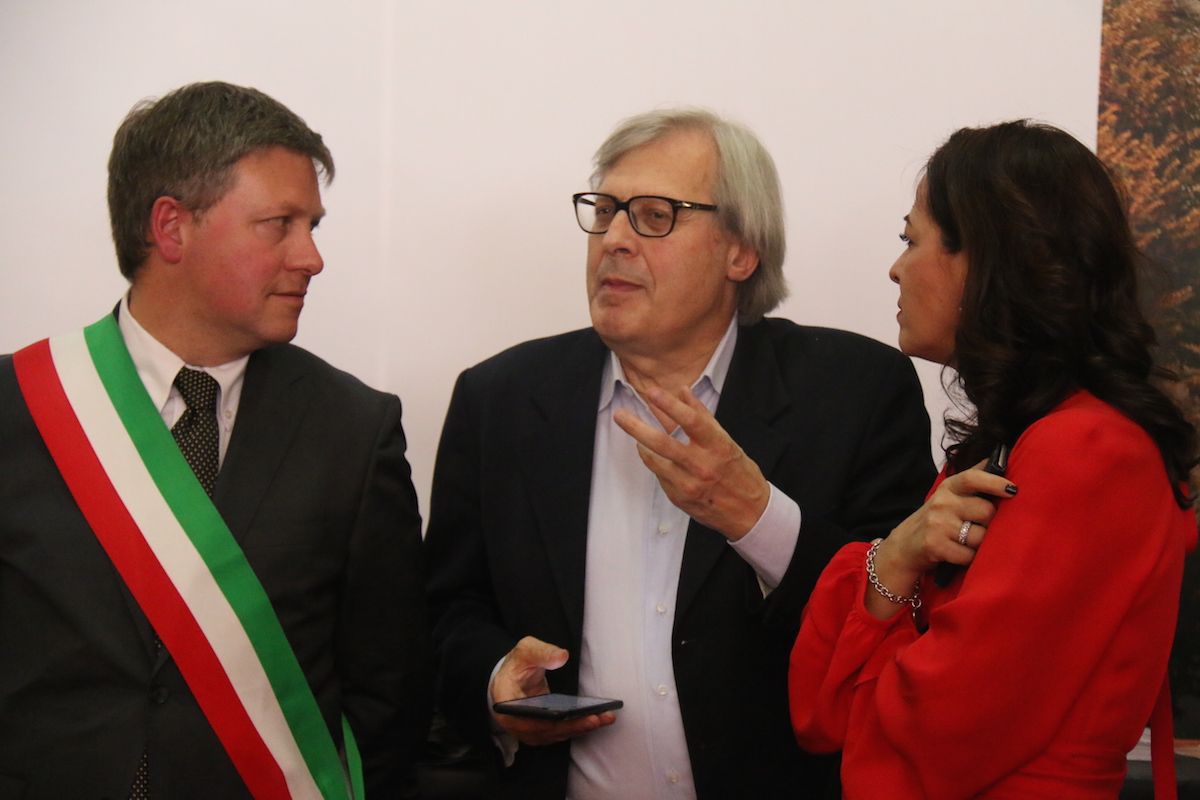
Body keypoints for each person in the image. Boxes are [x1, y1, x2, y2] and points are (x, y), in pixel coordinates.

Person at [424, 107, 936, 800]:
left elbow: (906, 618)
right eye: (604, 211)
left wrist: (759, 519)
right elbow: (444, 610)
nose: (615, 240)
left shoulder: (855, 392)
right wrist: (494, 680)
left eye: (655, 216)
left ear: (741, 251)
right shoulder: (501, 400)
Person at [0, 82, 431, 799]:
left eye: (313, 226)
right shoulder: (20, 406)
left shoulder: (354, 430)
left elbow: (390, 692)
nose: (311, 257)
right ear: (171, 228)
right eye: (279, 224)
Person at [788, 120, 1199, 799]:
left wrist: (885, 590)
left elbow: (939, 731)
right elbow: (825, 718)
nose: (896, 268)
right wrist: (894, 555)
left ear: (985, 259)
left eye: (911, 240)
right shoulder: (1017, 445)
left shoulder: (1087, 450)